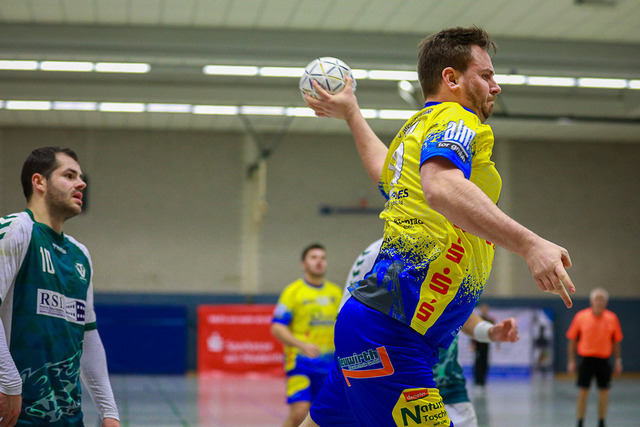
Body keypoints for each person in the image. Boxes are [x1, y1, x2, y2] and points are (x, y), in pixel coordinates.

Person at [300, 25, 576, 427]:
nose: (496, 86)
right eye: (486, 75)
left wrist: (352, 113)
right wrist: (530, 245)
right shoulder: (457, 118)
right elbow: (441, 186)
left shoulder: (416, 128)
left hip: (379, 327)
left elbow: (386, 173)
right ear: (451, 78)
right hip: (394, 335)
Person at [0, 147, 120, 426]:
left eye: (81, 177)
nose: (82, 183)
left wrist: (109, 412)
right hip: (15, 416)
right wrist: (9, 383)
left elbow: (88, 337)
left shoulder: (80, 255)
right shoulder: (16, 230)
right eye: (69, 175)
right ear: (39, 182)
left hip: (68, 418)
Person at [342, 239, 519, 427]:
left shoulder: (453, 247)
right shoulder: (377, 253)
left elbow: (453, 310)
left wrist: (487, 331)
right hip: (400, 388)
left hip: (450, 387)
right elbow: (350, 320)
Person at [271, 244, 342, 427]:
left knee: (324, 417)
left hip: (329, 367)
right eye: (314, 257)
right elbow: (277, 327)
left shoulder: (336, 293)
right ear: (304, 264)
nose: (319, 262)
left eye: (323, 258)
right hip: (300, 363)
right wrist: (302, 345)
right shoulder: (293, 292)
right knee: (300, 412)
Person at [566, 288, 623, 427]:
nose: (599, 302)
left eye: (602, 300)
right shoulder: (581, 317)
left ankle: (601, 421)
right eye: (597, 299)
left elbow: (616, 342)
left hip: (603, 360)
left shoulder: (612, 318)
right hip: (586, 360)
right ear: (591, 301)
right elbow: (572, 340)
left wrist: (618, 361)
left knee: (604, 392)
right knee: (583, 392)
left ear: (606, 302)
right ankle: (580, 422)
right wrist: (571, 361)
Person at [471, 303, 496, 387]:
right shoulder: (478, 319)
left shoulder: (489, 320)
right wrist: (473, 344)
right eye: (483, 309)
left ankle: (483, 381)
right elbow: (472, 331)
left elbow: (493, 331)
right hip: (478, 344)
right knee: (478, 363)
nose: (484, 310)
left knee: (485, 362)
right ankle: (477, 381)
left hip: (486, 345)